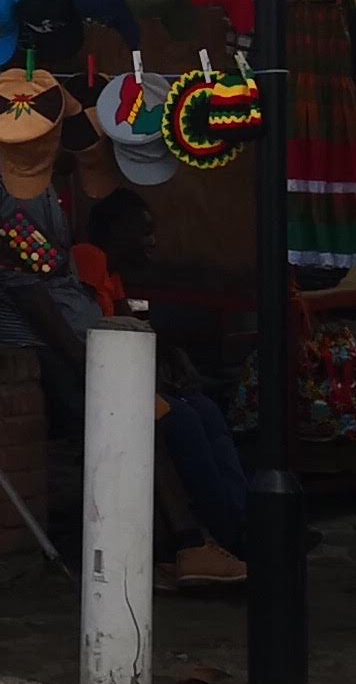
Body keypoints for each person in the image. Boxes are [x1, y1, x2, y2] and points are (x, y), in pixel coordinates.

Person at [74, 190, 252, 587]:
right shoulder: (88, 259)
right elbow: (98, 333)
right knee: (185, 421)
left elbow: (134, 330)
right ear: (115, 231)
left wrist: (171, 354)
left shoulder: (113, 276)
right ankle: (230, 532)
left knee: (206, 410)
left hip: (128, 380)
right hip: (104, 385)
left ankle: (243, 521)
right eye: (144, 232)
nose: (152, 241)